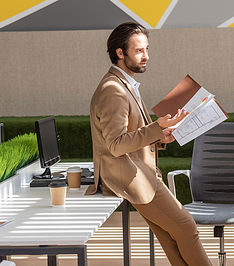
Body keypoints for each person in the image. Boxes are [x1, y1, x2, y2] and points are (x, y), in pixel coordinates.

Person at [86, 22, 212, 266]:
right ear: (120, 53)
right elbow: (115, 144)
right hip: (133, 177)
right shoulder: (114, 89)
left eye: (146, 49)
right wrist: (157, 128)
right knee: (187, 229)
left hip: (140, 172)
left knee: (172, 239)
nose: (146, 57)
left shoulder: (124, 84)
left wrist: (160, 135)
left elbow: (131, 133)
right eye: (139, 51)